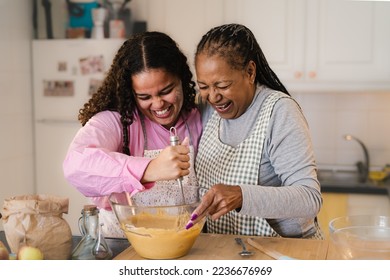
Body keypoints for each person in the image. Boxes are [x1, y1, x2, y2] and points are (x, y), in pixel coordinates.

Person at [186, 23, 323, 239]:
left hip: (286, 253)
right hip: (229, 250)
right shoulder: (207, 111)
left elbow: (310, 199)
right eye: (204, 86)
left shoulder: (278, 111)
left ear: (250, 72)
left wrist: (241, 195)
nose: (212, 96)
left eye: (222, 85)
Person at [63, 31, 202, 238]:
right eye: (144, 96)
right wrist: (149, 169)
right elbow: (75, 166)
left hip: (185, 241)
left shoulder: (199, 117)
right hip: (123, 243)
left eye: (166, 91)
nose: (158, 104)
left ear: (181, 77)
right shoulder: (118, 122)